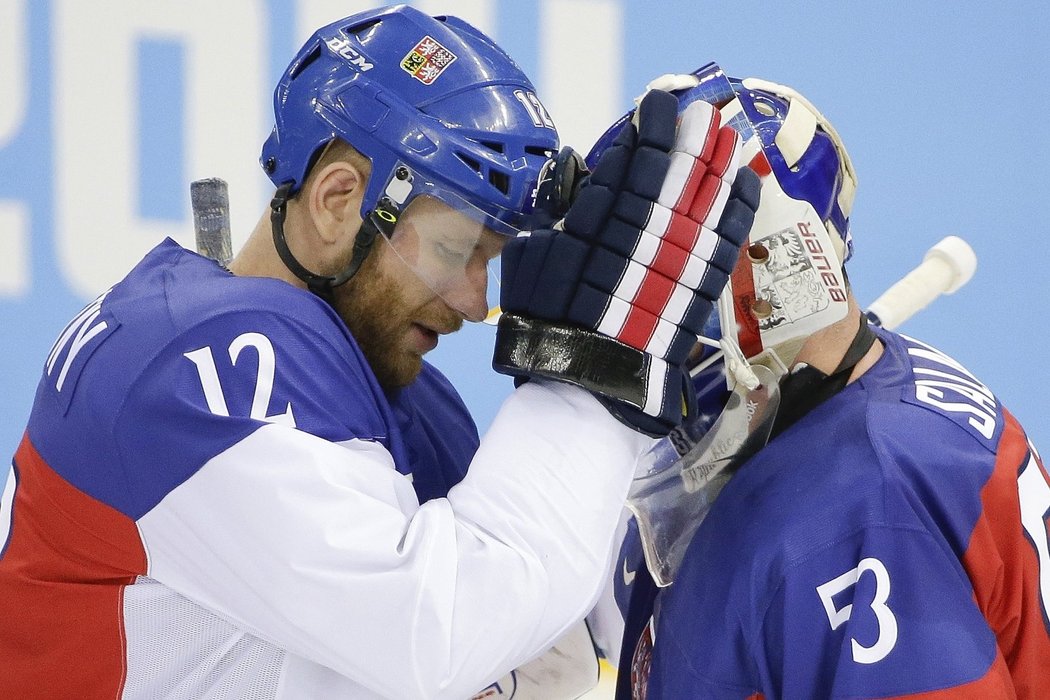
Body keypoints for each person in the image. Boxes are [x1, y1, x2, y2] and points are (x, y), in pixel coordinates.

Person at [0, 8, 759, 699]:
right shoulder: (191, 368)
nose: (474, 301)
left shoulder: (403, 398)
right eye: (457, 249)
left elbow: (535, 667)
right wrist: (594, 375)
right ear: (338, 200)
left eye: (491, 259)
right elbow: (435, 635)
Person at [593, 65, 1050, 698]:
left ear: (769, 282)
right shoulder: (748, 409)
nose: (632, 319)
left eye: (662, 280)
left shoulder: (856, 517)